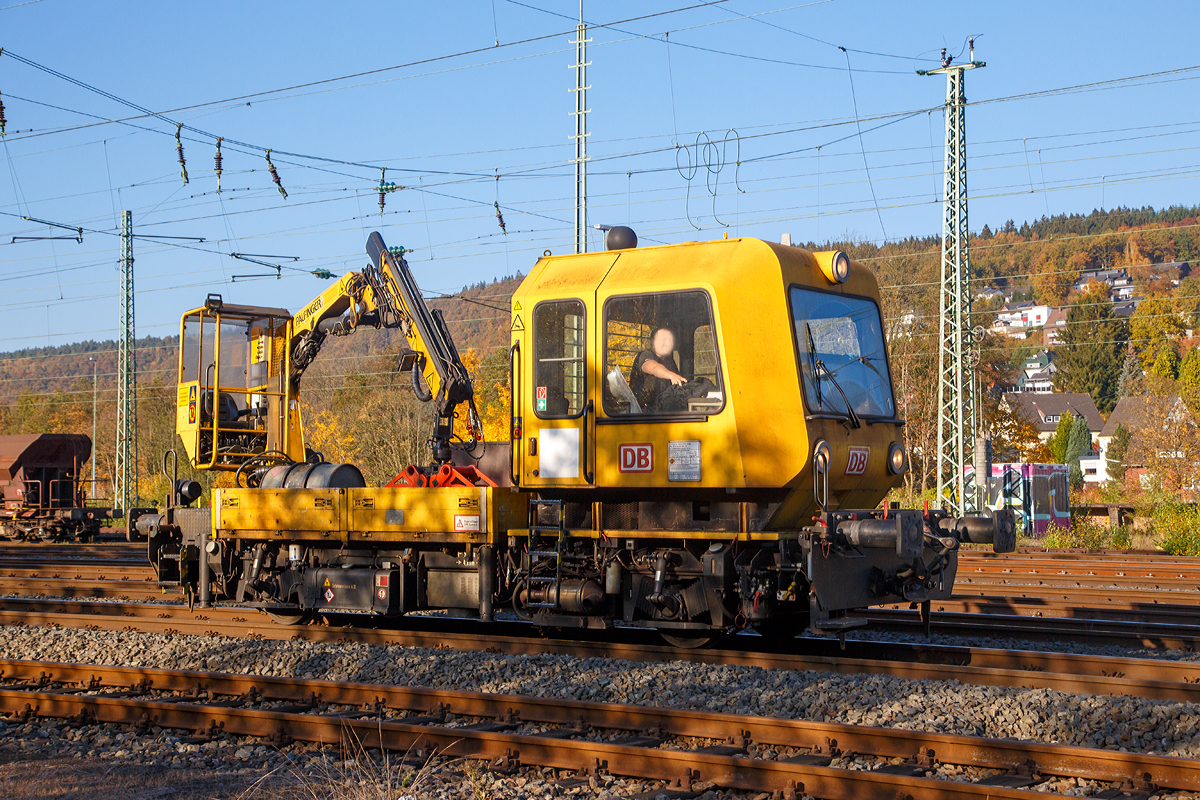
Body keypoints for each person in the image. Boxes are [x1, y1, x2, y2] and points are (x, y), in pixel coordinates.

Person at [629, 328, 687, 410]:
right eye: (663, 339)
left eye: (669, 340)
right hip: (644, 415)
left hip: (664, 412)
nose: (667, 343)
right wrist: (671, 375)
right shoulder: (645, 355)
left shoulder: (669, 361)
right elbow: (653, 367)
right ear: (652, 341)